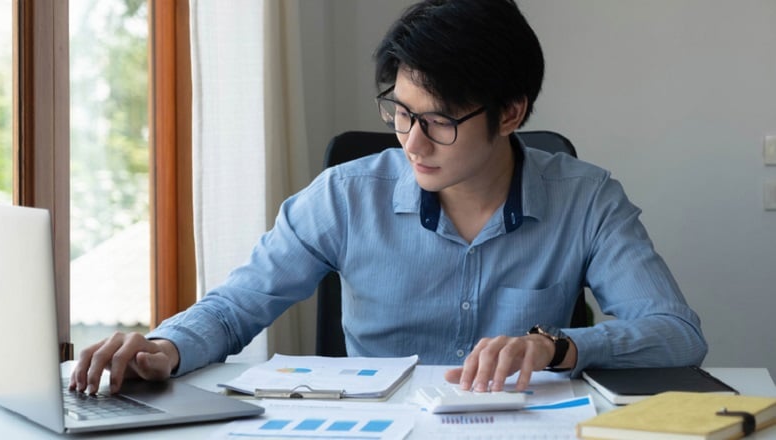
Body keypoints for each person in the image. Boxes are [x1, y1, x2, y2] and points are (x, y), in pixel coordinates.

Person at [70, 0, 707, 396]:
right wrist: (166, 346)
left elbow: (675, 334)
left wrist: (555, 344)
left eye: (439, 121)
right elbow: (238, 305)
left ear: (511, 113)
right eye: (400, 113)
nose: (412, 141)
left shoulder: (586, 198)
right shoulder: (346, 196)